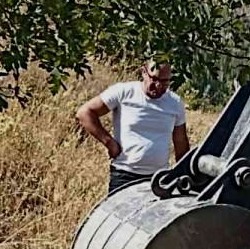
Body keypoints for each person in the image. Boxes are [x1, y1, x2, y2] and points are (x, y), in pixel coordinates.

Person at [75, 60, 190, 194]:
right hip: (125, 175)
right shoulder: (125, 92)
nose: (159, 86)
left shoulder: (175, 103)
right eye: (154, 79)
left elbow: (180, 141)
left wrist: (184, 175)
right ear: (143, 72)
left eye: (165, 82)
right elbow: (85, 113)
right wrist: (109, 142)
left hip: (158, 179)